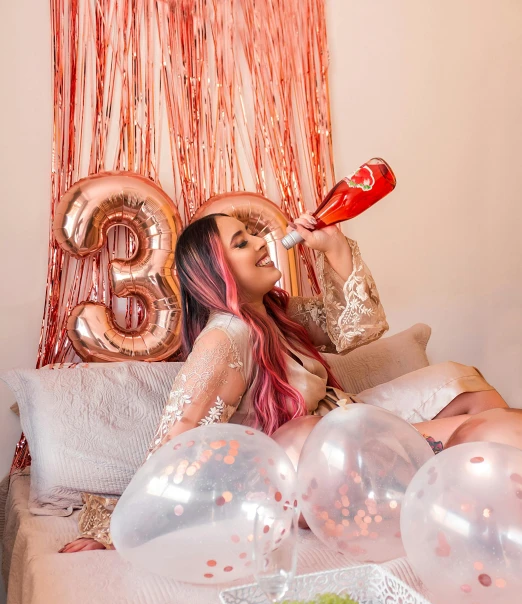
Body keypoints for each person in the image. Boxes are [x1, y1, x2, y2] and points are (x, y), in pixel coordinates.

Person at [60, 212, 507, 552]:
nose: (260, 243)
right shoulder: (224, 339)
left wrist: (333, 248)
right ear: (216, 271)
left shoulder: (275, 313)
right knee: (487, 434)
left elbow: (354, 329)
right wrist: (123, 527)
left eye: (254, 234)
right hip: (311, 460)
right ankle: (464, 492)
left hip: (341, 425)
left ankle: (454, 472)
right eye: (241, 242)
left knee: (466, 387)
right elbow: (177, 438)